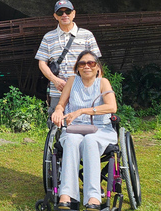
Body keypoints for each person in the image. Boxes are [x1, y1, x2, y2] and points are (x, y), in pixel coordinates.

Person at [50, 50, 117, 211]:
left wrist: (82, 111)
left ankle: (93, 197)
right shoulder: (72, 81)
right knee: (72, 140)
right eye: (82, 63)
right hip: (74, 128)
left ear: (97, 68)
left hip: (100, 129)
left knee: (90, 140)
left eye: (91, 63)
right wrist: (59, 111)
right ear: (77, 68)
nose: (86, 66)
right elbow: (61, 104)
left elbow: (111, 107)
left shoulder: (103, 82)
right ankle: (67, 195)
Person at [35, 0, 102, 115]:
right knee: (56, 124)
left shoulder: (87, 35)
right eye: (60, 13)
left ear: (74, 13)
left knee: (85, 123)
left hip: (83, 91)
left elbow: (96, 64)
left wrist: (96, 88)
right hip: (57, 91)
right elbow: (42, 63)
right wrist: (55, 80)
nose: (64, 15)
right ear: (55, 16)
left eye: (68, 11)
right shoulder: (48, 37)